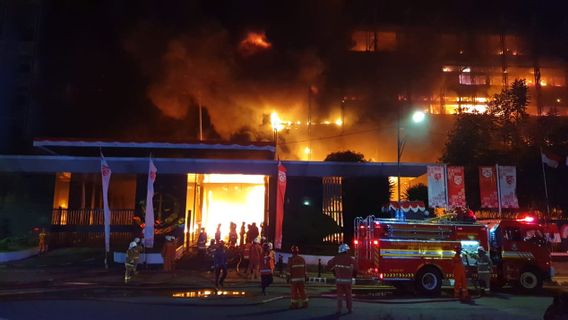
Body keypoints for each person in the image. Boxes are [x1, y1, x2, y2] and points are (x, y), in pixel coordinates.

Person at [327, 243, 357, 314]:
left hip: (339, 281)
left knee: (339, 295)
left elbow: (329, 265)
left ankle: (339, 309)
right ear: (346, 250)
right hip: (348, 281)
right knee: (348, 295)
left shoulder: (336, 258)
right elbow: (356, 269)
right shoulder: (350, 259)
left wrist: (334, 272)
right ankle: (349, 309)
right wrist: (353, 276)